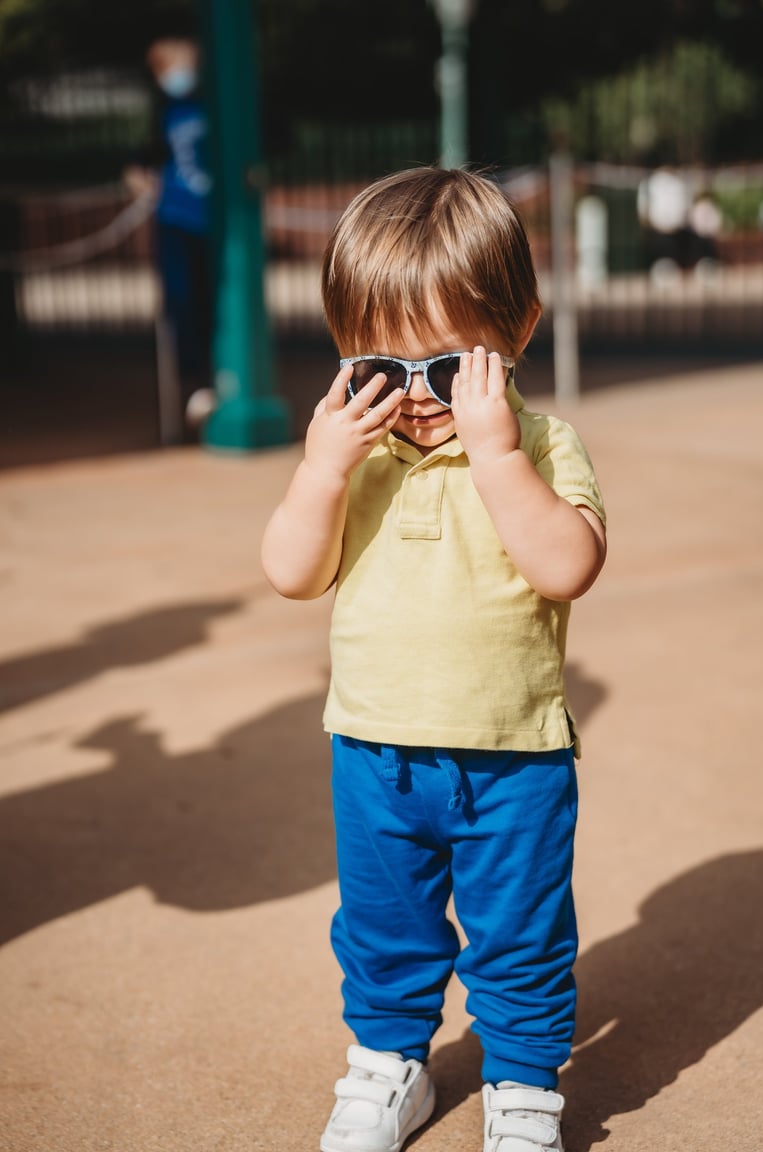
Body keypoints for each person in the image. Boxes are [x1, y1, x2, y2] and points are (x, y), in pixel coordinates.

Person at [260, 166, 607, 1152]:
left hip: (513, 758)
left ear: (519, 329)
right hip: (375, 752)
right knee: (382, 930)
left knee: (521, 935)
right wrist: (321, 468)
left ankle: (524, 1084)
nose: (415, 397)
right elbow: (291, 573)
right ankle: (388, 1066)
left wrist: (495, 457)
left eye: (449, 369)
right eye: (379, 368)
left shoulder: (542, 445)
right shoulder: (355, 457)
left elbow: (569, 565)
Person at [123, 34, 213, 437]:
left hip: (214, 226)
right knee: (181, 306)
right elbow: (142, 159)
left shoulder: (214, 104)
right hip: (176, 223)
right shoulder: (162, 111)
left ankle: (213, 381)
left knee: (213, 306)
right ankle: (191, 388)